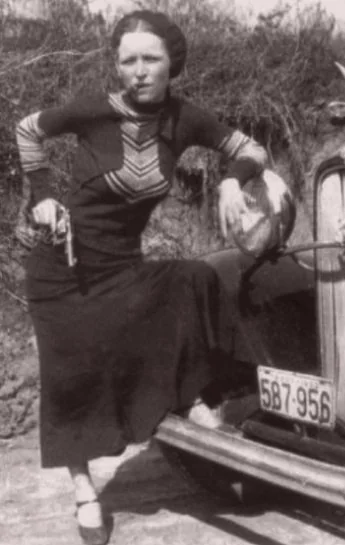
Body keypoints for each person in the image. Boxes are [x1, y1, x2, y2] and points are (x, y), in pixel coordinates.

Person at [16, 10, 267, 545]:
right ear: (116, 66)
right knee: (74, 374)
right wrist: (42, 198)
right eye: (127, 60)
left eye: (150, 59)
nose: (138, 71)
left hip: (122, 265)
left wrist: (231, 181)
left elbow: (251, 149)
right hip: (62, 267)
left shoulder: (186, 119)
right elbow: (27, 129)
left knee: (195, 279)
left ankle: (194, 395)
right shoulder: (93, 110)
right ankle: (84, 489)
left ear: (172, 63)